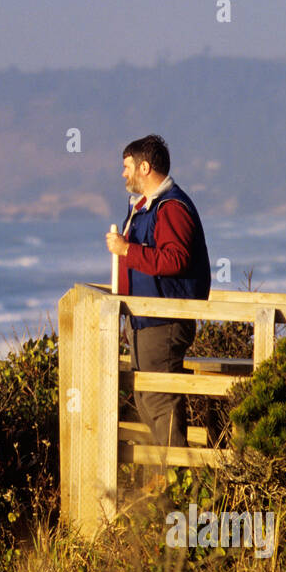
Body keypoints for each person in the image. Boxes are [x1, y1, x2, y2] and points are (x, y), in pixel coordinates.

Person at [105, 134, 211, 456]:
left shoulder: (172, 207)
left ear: (144, 167)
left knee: (159, 400)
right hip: (143, 319)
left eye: (127, 167)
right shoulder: (144, 207)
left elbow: (175, 259)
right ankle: (166, 477)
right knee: (145, 397)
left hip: (163, 320)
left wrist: (127, 250)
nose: (123, 174)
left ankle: (176, 477)